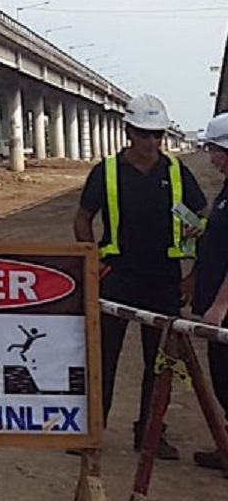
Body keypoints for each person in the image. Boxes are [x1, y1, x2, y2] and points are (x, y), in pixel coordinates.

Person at [72, 93, 208, 459]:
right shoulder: (107, 172)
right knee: (103, 358)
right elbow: (83, 218)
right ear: (129, 131)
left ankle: (150, 433)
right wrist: (90, 263)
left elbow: (201, 222)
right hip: (117, 277)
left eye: (158, 135)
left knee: (160, 361)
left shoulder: (177, 173)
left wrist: (191, 275)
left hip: (163, 280)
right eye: (145, 134)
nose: (152, 143)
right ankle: (92, 432)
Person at [189, 113, 228, 470]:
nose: (211, 157)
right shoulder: (226, 191)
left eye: (214, 149)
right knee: (223, 381)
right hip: (218, 302)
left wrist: (220, 305)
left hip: (227, 311)